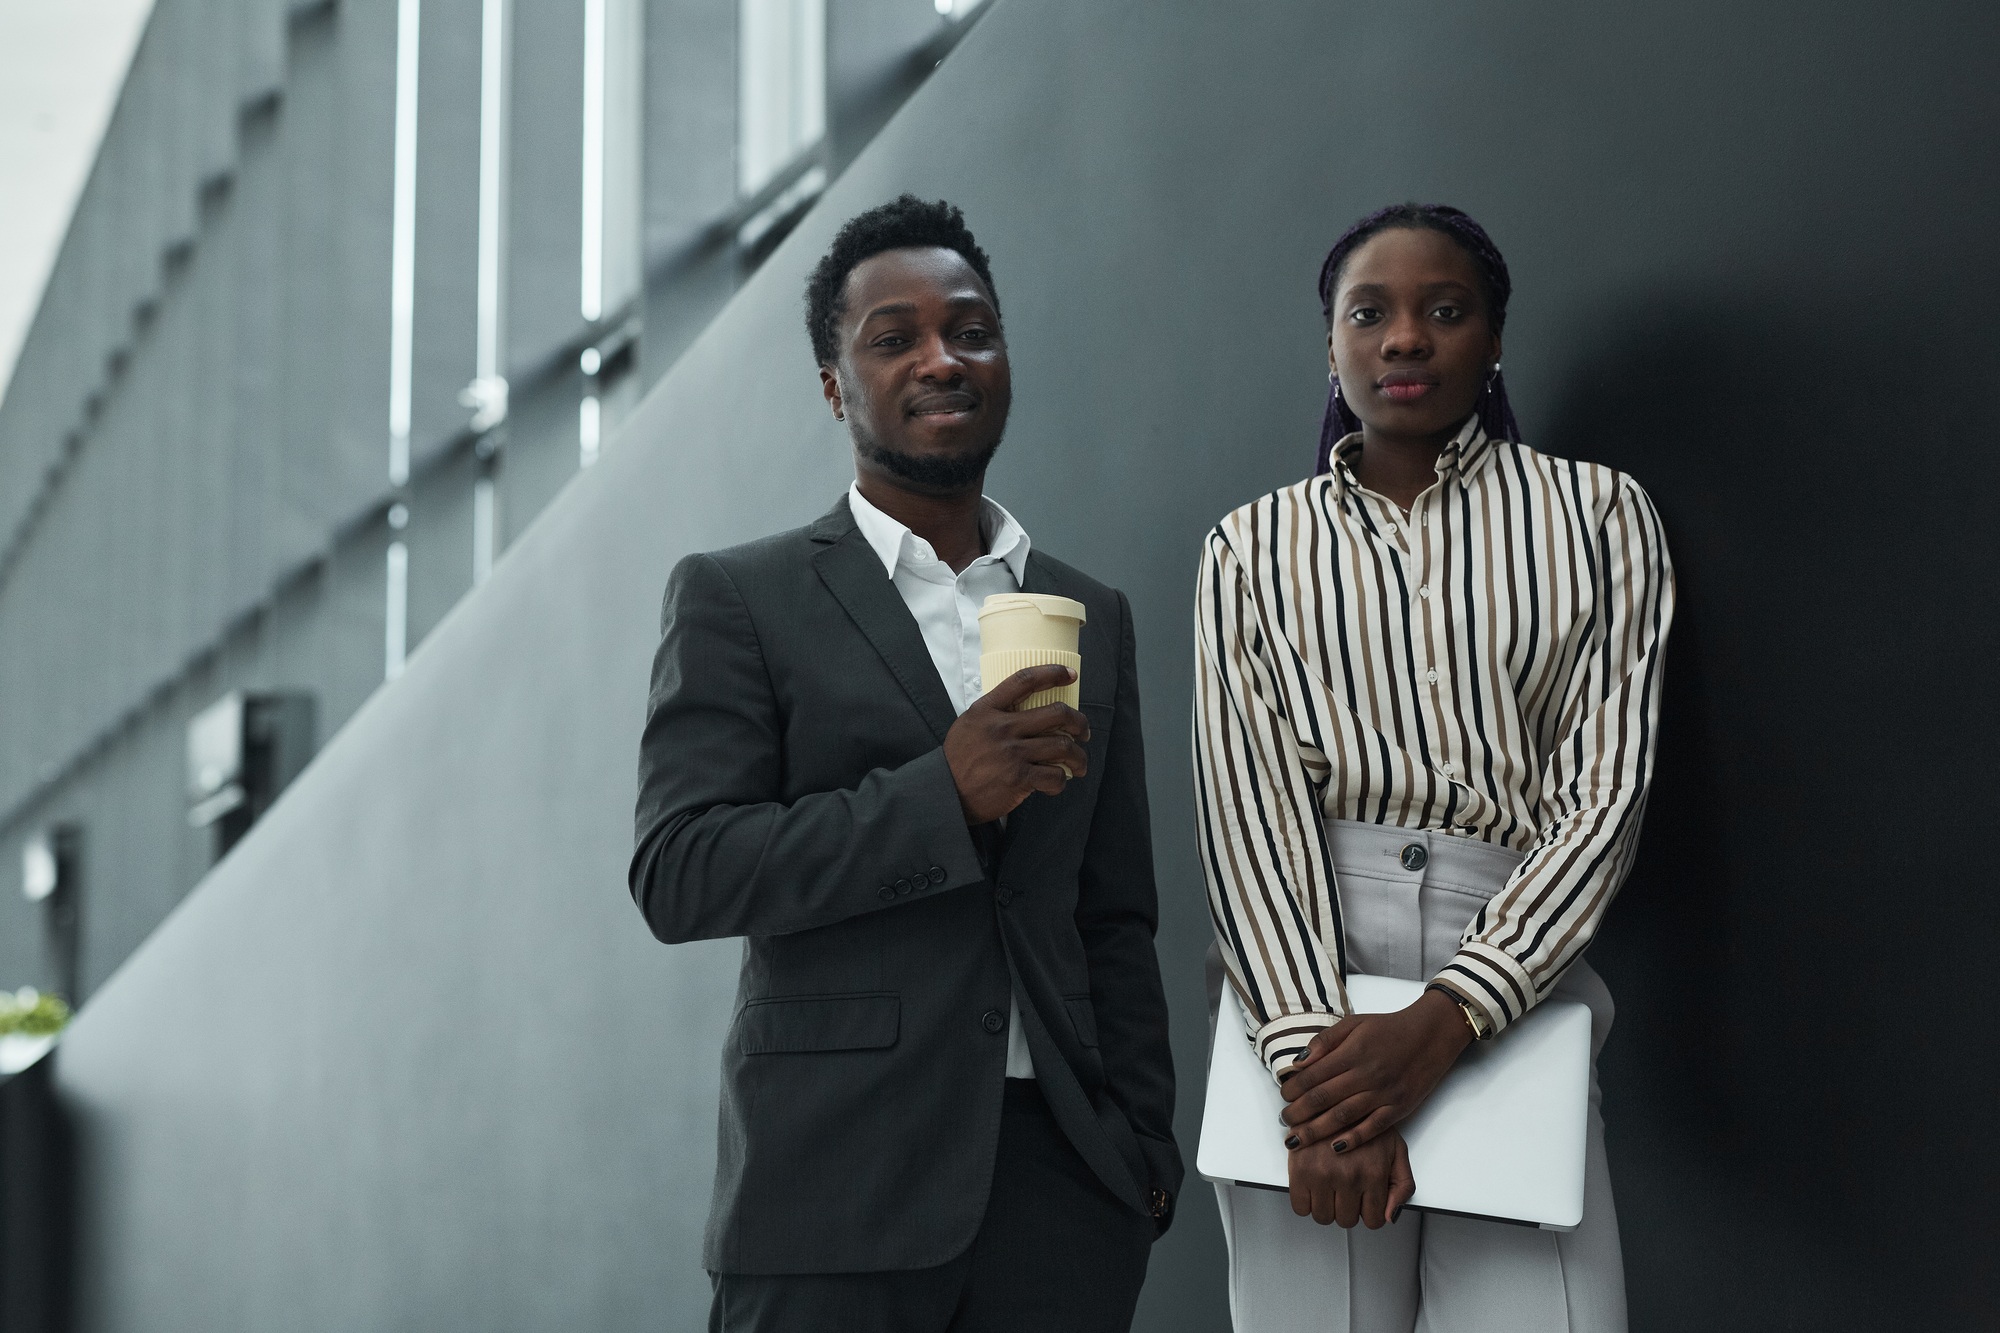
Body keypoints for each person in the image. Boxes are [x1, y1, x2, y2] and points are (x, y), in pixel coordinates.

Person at [630, 196, 1181, 1333]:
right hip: (833, 1193)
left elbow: (1112, 911)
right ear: (835, 384)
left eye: (970, 329)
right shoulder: (741, 597)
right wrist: (943, 794)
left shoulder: (1087, 611)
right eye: (894, 337)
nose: (941, 357)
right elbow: (681, 869)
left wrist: (1139, 1149)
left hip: (1063, 1199)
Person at [1192, 203, 1674, 1332]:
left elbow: (1604, 796)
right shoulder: (1250, 548)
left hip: (1510, 969)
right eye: (1370, 313)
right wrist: (1318, 1083)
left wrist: (1454, 1013)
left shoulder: (1599, 516)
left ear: (1493, 336)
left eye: (1442, 311)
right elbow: (1245, 815)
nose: (1403, 338)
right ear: (1331, 346)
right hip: (1301, 990)